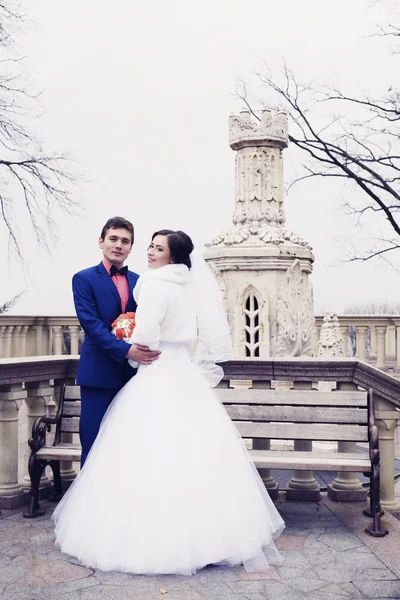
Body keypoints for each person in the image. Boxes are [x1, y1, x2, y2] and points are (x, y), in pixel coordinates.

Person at [54, 229, 285, 575]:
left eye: (156, 247)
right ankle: (209, 538)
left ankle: (137, 537)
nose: (149, 251)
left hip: (155, 373)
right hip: (184, 375)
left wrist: (130, 346)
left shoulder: (152, 284)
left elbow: (145, 337)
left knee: (143, 453)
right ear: (101, 241)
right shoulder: (188, 287)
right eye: (149, 245)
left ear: (171, 256)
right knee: (191, 454)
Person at [72, 216, 160, 465]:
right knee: (93, 442)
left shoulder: (141, 282)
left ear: (131, 247)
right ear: (101, 242)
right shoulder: (83, 279)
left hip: (134, 378)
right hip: (98, 374)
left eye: (125, 241)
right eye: (113, 239)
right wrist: (126, 351)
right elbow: (92, 326)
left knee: (129, 445)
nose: (119, 245)